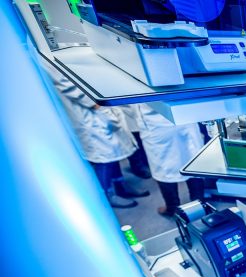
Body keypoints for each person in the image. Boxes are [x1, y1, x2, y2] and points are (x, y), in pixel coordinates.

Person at [44, 63, 149, 208]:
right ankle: (107, 195)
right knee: (103, 157)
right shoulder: (44, 53)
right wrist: (94, 103)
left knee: (114, 151)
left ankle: (121, 186)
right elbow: (65, 83)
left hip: (97, 103)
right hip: (87, 110)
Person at [133, 103, 206, 217]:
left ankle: (172, 207)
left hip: (156, 124)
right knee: (192, 159)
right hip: (184, 115)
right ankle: (199, 203)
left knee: (163, 168)